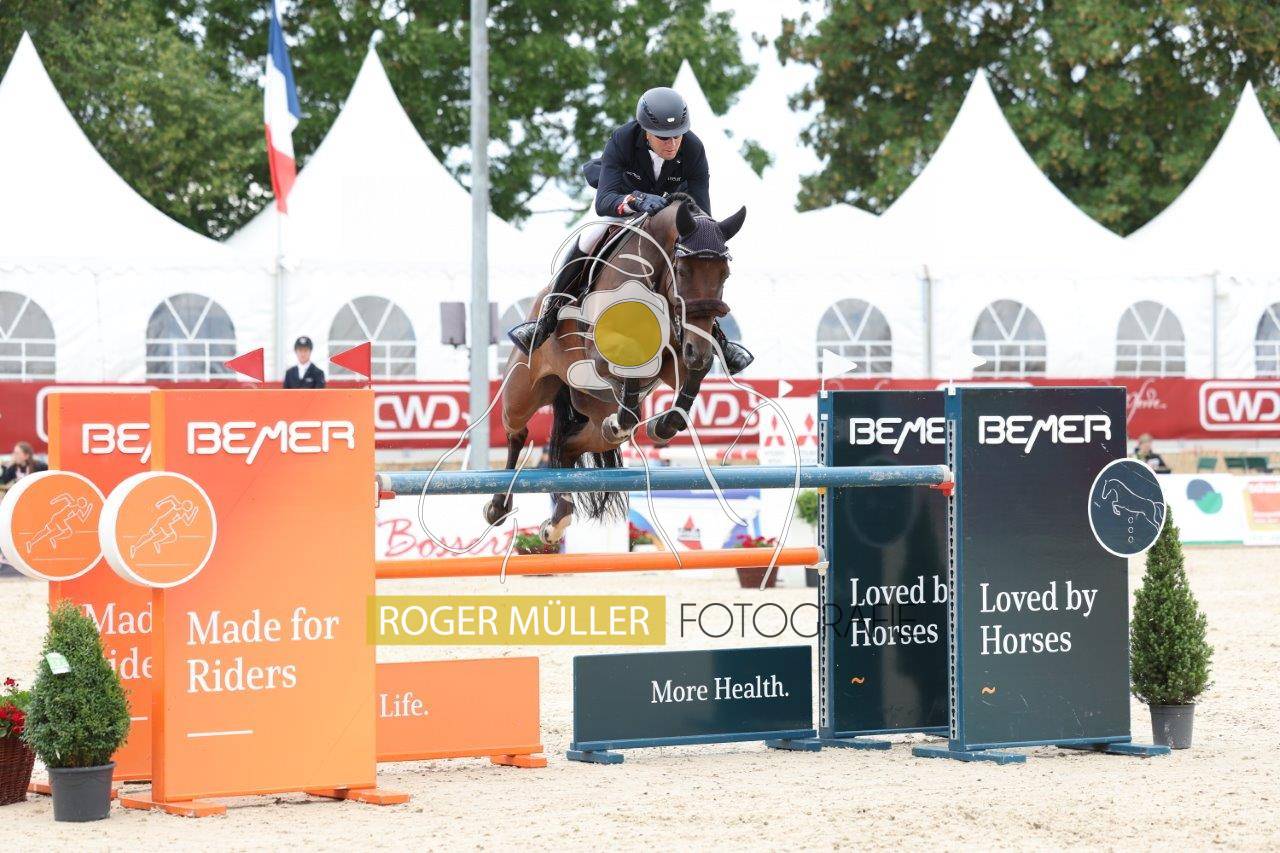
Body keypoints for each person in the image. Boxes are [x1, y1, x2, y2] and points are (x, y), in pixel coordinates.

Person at [508, 86, 752, 374]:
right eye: (663, 137)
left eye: (677, 135)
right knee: (589, 236)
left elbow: (701, 210)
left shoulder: (693, 148)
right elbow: (604, 202)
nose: (672, 143)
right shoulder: (622, 139)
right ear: (646, 131)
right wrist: (635, 200)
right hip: (623, 206)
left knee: (701, 259)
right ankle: (546, 319)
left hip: (667, 218)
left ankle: (719, 338)